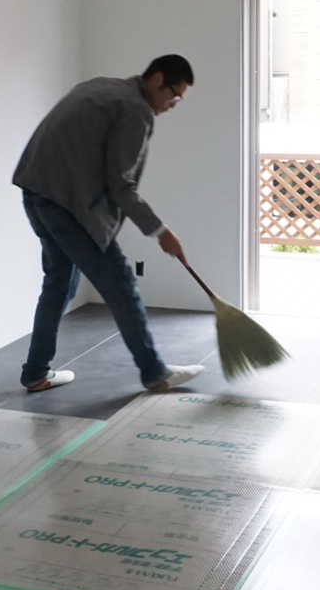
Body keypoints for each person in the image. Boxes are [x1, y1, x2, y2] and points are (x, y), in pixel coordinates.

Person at [12, 54, 206, 393]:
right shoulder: (135, 109)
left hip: (36, 191)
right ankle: (154, 372)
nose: (172, 105)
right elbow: (121, 186)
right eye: (174, 96)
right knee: (121, 284)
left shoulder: (101, 87)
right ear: (157, 79)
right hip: (66, 205)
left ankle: (36, 372)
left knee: (59, 282)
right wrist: (160, 231)